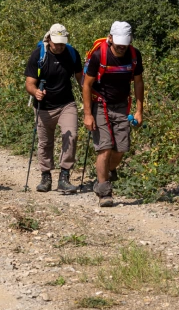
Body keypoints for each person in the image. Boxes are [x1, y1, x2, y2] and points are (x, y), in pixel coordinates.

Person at [82, 21, 144, 207]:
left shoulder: (134, 55)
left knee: (121, 149)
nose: (121, 48)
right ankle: (104, 192)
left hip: (122, 106)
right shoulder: (99, 55)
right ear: (110, 39)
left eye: (125, 45)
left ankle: (106, 171)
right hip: (100, 104)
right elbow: (87, 85)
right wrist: (87, 114)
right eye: (118, 45)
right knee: (105, 148)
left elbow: (138, 83)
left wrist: (140, 111)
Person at [25, 24, 83, 194]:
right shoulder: (39, 54)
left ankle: (64, 176)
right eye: (56, 43)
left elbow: (81, 79)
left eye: (62, 43)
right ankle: (46, 177)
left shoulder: (72, 53)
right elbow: (29, 83)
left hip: (66, 103)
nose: (59, 46)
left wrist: (90, 97)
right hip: (43, 107)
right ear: (49, 39)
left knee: (71, 135)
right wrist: (36, 92)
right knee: (45, 143)